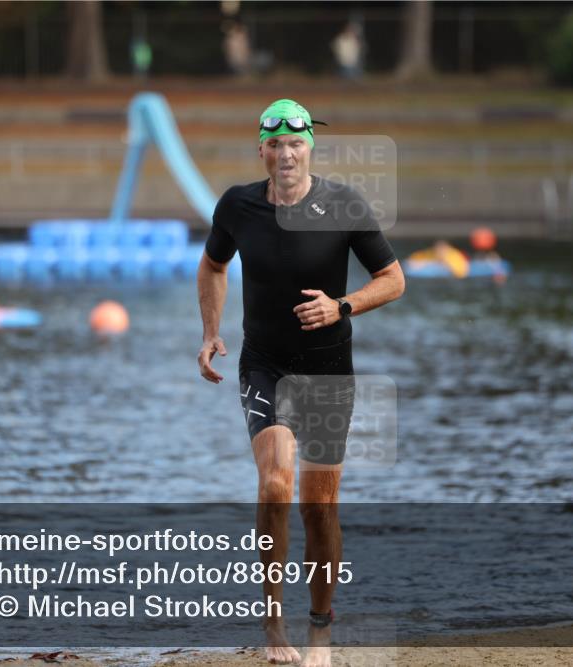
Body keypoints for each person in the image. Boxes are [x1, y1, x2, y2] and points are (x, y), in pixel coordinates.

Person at [197, 99, 404, 667]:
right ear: (260, 149)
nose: (286, 154)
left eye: (296, 143)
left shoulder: (343, 204)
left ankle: (319, 631)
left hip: (327, 371)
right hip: (264, 363)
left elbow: (392, 279)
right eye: (275, 144)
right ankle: (272, 624)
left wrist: (343, 305)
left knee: (319, 509)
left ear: (310, 145)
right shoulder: (237, 206)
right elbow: (213, 266)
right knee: (274, 484)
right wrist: (212, 332)